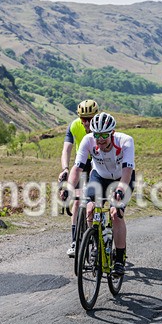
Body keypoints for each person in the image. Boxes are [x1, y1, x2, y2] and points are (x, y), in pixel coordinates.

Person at [66, 112, 135, 277]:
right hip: (99, 177)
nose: (100, 139)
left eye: (104, 135)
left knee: (115, 214)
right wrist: (68, 187)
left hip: (121, 178)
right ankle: (97, 246)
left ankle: (119, 259)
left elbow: (127, 171)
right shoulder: (88, 140)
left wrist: (120, 190)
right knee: (89, 208)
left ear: (112, 133)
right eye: (97, 134)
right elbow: (77, 168)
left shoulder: (126, 141)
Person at [58, 99, 97, 257]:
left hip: (98, 163)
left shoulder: (101, 126)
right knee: (76, 200)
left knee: (93, 199)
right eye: (84, 119)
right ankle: (74, 241)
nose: (87, 123)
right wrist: (65, 169)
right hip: (81, 163)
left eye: (90, 119)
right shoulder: (74, 126)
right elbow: (66, 149)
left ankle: (94, 238)